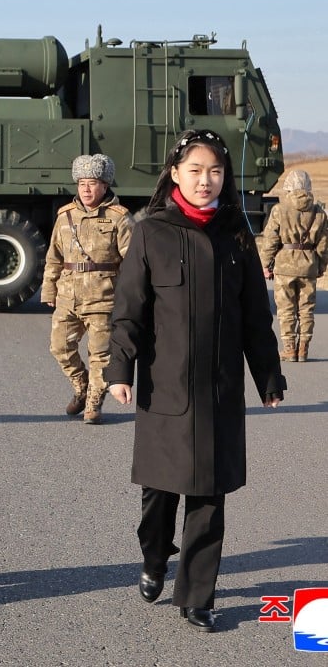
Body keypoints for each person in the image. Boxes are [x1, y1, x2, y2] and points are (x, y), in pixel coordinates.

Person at [104, 129, 285, 633]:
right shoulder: (152, 231)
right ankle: (155, 557)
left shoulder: (237, 234)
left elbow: (255, 316)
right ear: (175, 174)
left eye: (216, 171)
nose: (206, 181)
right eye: (196, 170)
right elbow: (128, 310)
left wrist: (268, 376)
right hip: (165, 388)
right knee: (160, 492)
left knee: (209, 493)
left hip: (219, 390)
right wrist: (120, 369)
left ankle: (197, 595)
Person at [41, 154, 132, 424]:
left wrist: (128, 297)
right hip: (68, 297)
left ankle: (94, 402)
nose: (86, 189)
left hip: (103, 298)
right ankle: (81, 386)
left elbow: (133, 261)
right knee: (60, 348)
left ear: (105, 185)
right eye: (81, 183)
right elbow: (53, 257)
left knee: (100, 355)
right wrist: (49, 291)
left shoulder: (120, 218)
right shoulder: (65, 217)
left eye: (92, 183)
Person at [258, 169, 328, 362]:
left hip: (284, 267)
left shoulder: (279, 210)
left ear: (289, 185)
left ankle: (289, 348)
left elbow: (270, 240)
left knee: (286, 309)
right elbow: (323, 244)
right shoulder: (319, 212)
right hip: (309, 266)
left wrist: (265, 264)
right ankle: (303, 348)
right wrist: (321, 266)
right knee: (306, 309)